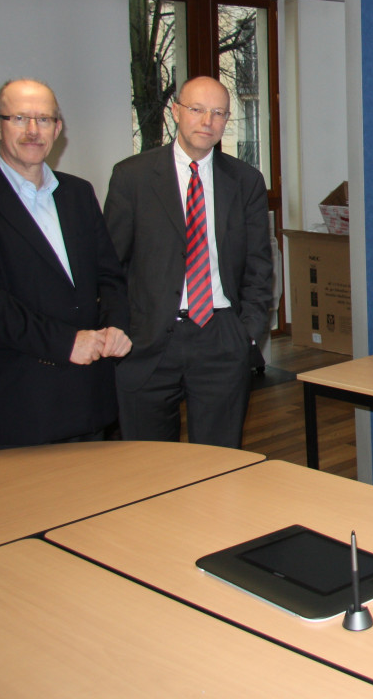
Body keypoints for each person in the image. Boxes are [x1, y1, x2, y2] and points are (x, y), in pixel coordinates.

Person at [0, 78, 131, 448]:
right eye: (19, 118)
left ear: (58, 129)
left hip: (89, 398)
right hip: (21, 404)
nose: (32, 131)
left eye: (44, 120)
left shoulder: (78, 193)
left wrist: (117, 324)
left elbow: (110, 276)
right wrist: (66, 342)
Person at [104, 76, 273, 448]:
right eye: (197, 110)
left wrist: (246, 333)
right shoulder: (131, 177)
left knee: (218, 464)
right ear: (176, 111)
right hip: (148, 340)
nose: (207, 121)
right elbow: (111, 266)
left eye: (218, 113)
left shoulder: (245, 181)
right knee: (148, 464)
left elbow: (260, 264)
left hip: (221, 336)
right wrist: (119, 330)